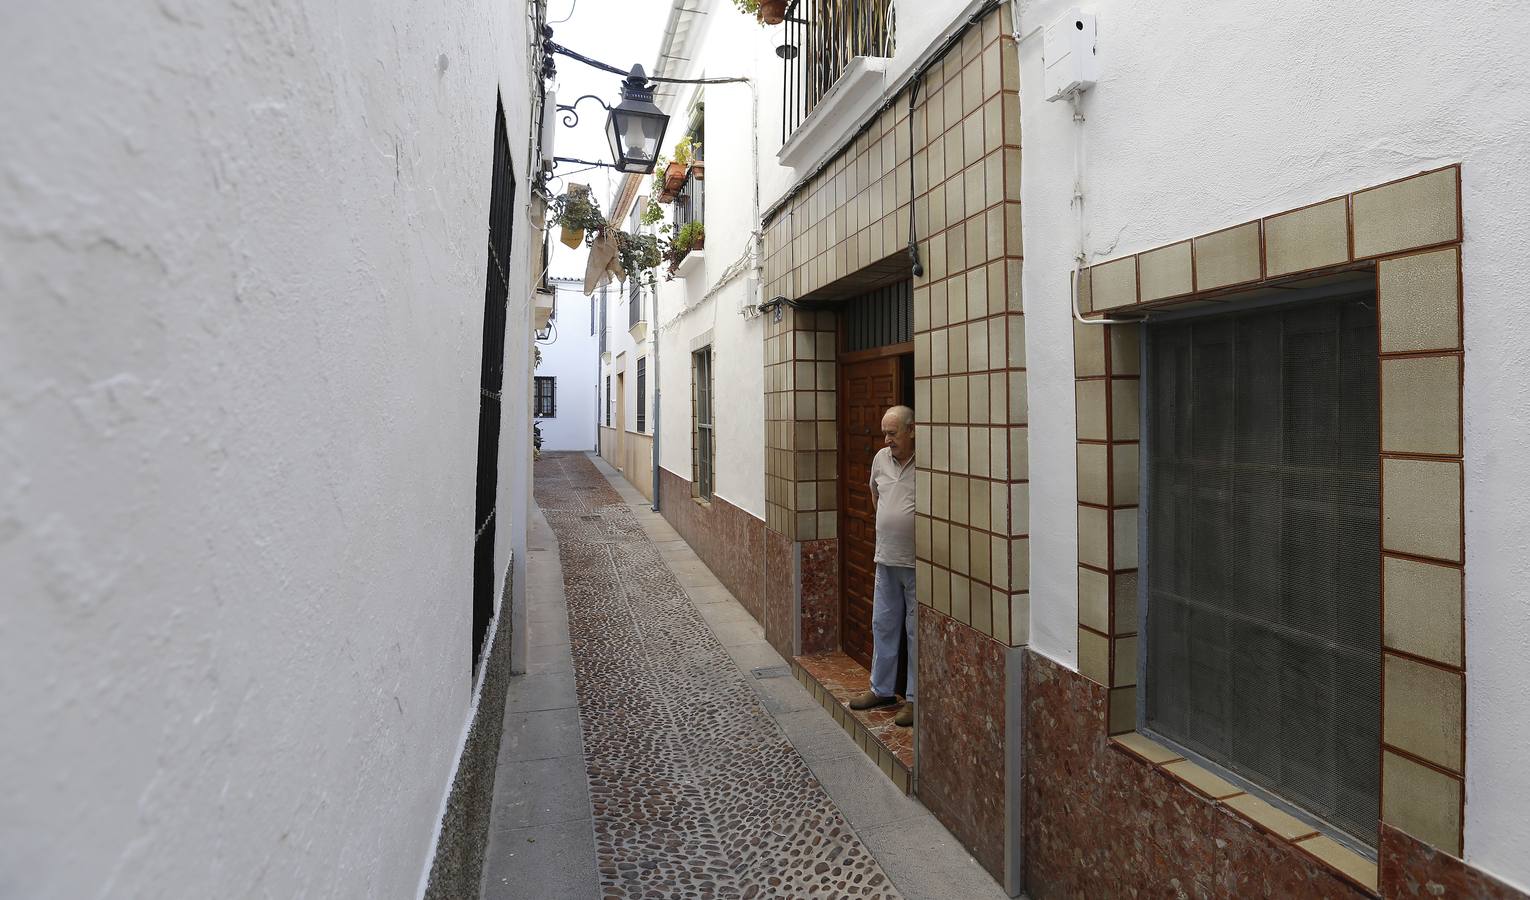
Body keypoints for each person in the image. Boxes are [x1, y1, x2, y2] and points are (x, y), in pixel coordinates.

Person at [850, 405, 917, 728]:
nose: (887, 439)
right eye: (885, 433)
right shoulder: (880, 459)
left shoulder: (926, 461)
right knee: (884, 623)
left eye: (893, 433)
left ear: (912, 429)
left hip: (917, 563)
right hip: (885, 557)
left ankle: (916, 700)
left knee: (915, 631)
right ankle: (882, 689)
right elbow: (875, 495)